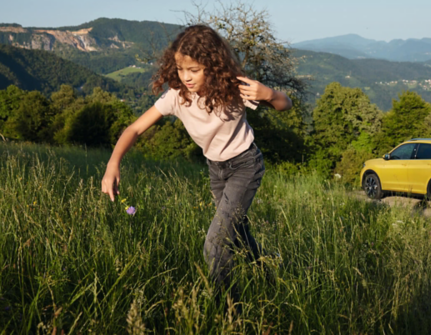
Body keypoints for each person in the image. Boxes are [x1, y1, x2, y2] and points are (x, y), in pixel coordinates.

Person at [100, 24, 292, 296]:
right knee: (236, 235)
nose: (186, 77)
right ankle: (270, 277)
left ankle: (230, 314)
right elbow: (134, 129)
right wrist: (113, 164)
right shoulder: (176, 97)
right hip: (216, 171)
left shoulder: (233, 88)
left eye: (194, 70)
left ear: (212, 66)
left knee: (215, 245)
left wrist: (270, 95)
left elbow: (286, 104)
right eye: (180, 69)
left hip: (245, 166)